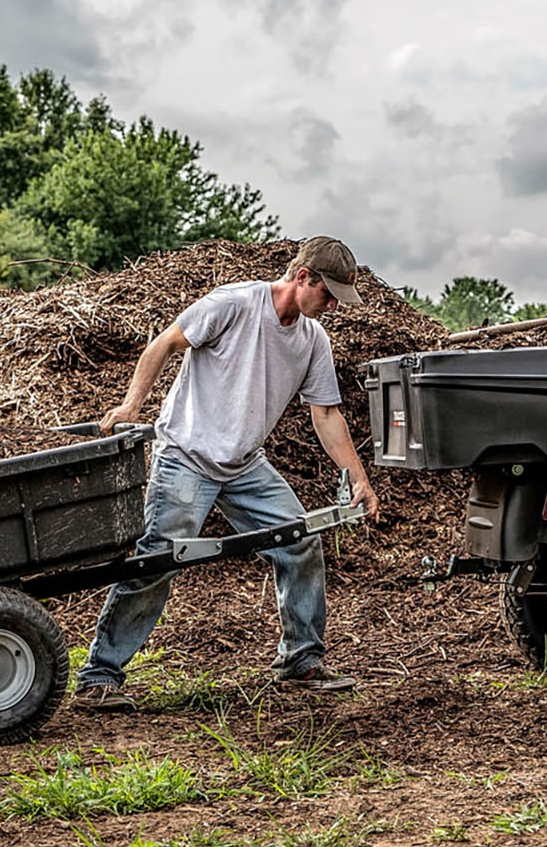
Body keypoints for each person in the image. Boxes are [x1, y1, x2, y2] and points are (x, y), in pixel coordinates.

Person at [75, 236, 381, 709]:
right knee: (157, 557)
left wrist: (359, 478)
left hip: (244, 466)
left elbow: (327, 415)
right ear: (303, 277)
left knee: (299, 540)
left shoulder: (312, 339)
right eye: (328, 295)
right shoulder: (235, 304)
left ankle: (301, 660)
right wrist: (133, 403)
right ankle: (100, 676)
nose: (332, 307)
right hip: (185, 455)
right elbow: (165, 343)